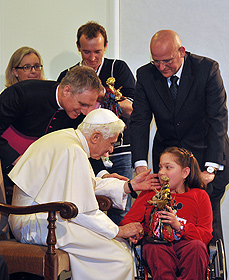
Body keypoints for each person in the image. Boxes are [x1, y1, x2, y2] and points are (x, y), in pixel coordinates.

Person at [8, 108, 154, 280]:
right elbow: (82, 210)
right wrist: (118, 230)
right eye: (111, 143)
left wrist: (128, 186)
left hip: (41, 216)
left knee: (119, 247)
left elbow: (83, 185)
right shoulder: (73, 149)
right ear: (96, 137)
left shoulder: (67, 138)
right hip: (38, 222)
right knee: (118, 258)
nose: (111, 150)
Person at [130, 29, 229, 245]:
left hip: (206, 158)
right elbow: (139, 120)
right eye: (156, 62)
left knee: (206, 231)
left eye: (167, 61)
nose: (162, 67)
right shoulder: (146, 75)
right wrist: (140, 165)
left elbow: (218, 119)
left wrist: (210, 170)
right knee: (164, 227)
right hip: (169, 164)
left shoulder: (207, 70)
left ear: (181, 52)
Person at [57, 21, 136, 225]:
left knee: (123, 209)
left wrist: (106, 95)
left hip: (118, 150)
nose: (92, 58)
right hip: (83, 153)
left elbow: (132, 109)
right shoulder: (68, 76)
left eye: (97, 52)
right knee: (84, 206)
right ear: (78, 47)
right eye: (86, 52)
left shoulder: (117, 68)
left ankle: (122, 253)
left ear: (106, 46)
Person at [0, 66, 103, 195]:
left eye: (89, 106)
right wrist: (15, 159)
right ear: (66, 90)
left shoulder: (78, 112)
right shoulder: (22, 93)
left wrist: (103, 174)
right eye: (82, 104)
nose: (85, 111)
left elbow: (84, 144)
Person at [121, 147, 213, 280]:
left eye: (168, 167)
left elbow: (205, 234)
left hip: (188, 244)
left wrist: (180, 227)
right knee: (155, 248)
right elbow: (128, 222)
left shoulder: (199, 196)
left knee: (197, 247)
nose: (161, 172)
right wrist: (138, 230)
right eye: (160, 167)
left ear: (185, 172)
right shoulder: (151, 193)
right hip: (157, 245)